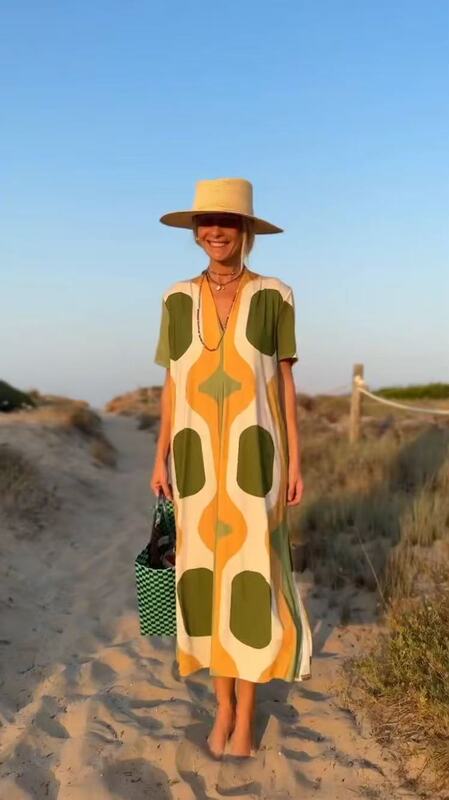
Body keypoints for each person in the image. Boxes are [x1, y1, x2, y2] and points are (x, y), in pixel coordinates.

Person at [150, 177, 312, 758]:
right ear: (196, 232)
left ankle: (247, 715)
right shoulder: (175, 298)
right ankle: (221, 706)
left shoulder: (276, 295)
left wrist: (295, 459)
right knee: (204, 581)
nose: (216, 231)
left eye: (228, 221)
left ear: (245, 231)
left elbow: (285, 382)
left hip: (257, 461)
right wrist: (160, 453)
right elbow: (173, 382)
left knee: (251, 578)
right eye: (207, 222)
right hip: (194, 463)